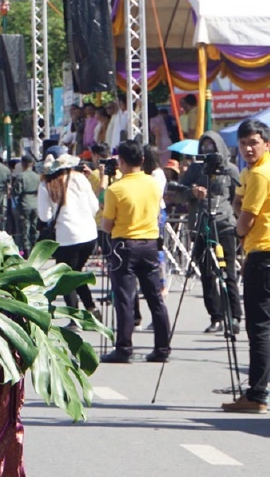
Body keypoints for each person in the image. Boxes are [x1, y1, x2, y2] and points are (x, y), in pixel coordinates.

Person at [100, 139, 172, 364]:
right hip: (150, 243)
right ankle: (162, 347)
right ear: (142, 159)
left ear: (120, 161)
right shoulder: (154, 184)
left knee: (124, 298)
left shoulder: (115, 189)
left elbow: (107, 225)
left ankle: (124, 347)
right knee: (155, 297)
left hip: (125, 245)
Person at [174, 131, 243, 334]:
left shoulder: (230, 169)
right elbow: (177, 195)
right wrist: (192, 192)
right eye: (204, 146)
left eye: (211, 145)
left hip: (224, 225)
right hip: (201, 225)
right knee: (206, 274)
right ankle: (216, 316)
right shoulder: (196, 168)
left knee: (228, 272)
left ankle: (234, 316)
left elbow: (237, 198)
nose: (207, 149)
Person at [223, 119, 270, 413]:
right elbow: (238, 202)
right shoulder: (251, 172)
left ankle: (257, 394)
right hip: (261, 253)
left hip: (263, 255)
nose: (248, 148)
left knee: (259, 328)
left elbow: (245, 220)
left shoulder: (260, 175)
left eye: (253, 142)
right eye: (243, 144)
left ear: (266, 143)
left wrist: (239, 233)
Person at [37, 153, 100, 317]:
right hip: (89, 234)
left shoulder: (46, 184)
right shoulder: (80, 178)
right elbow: (94, 206)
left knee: (65, 277)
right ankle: (91, 307)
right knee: (75, 272)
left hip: (67, 236)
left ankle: (74, 317)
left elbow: (45, 216)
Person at [10, 155, 41, 254]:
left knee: (25, 228)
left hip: (24, 204)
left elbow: (16, 192)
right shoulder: (37, 176)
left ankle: (27, 249)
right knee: (34, 227)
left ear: (22, 164)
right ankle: (35, 247)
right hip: (35, 204)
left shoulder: (21, 176)